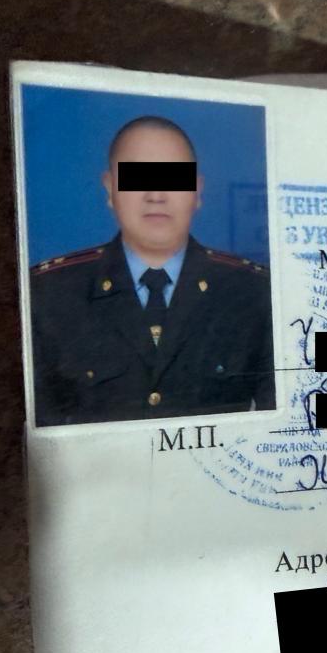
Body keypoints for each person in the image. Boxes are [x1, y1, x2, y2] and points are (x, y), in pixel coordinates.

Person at [29, 115, 275, 426]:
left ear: (197, 191)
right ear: (110, 188)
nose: (156, 195)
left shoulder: (254, 293)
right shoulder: (49, 294)